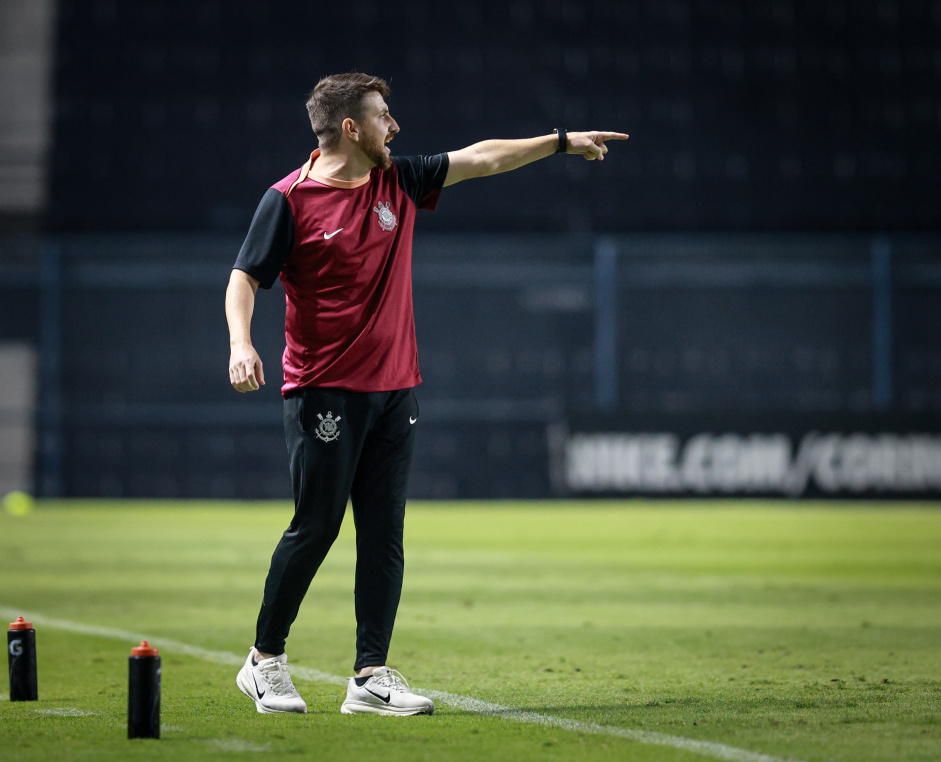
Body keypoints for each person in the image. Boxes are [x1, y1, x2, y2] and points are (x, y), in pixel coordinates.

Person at [225, 72, 628, 717]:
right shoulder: (290, 199)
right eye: (384, 115)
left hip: (396, 390)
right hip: (324, 390)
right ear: (352, 128)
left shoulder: (398, 180)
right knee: (317, 526)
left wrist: (559, 142)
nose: (397, 126)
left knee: (384, 533)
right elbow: (244, 277)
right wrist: (242, 345)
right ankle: (264, 660)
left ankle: (370, 676)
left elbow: (481, 156)